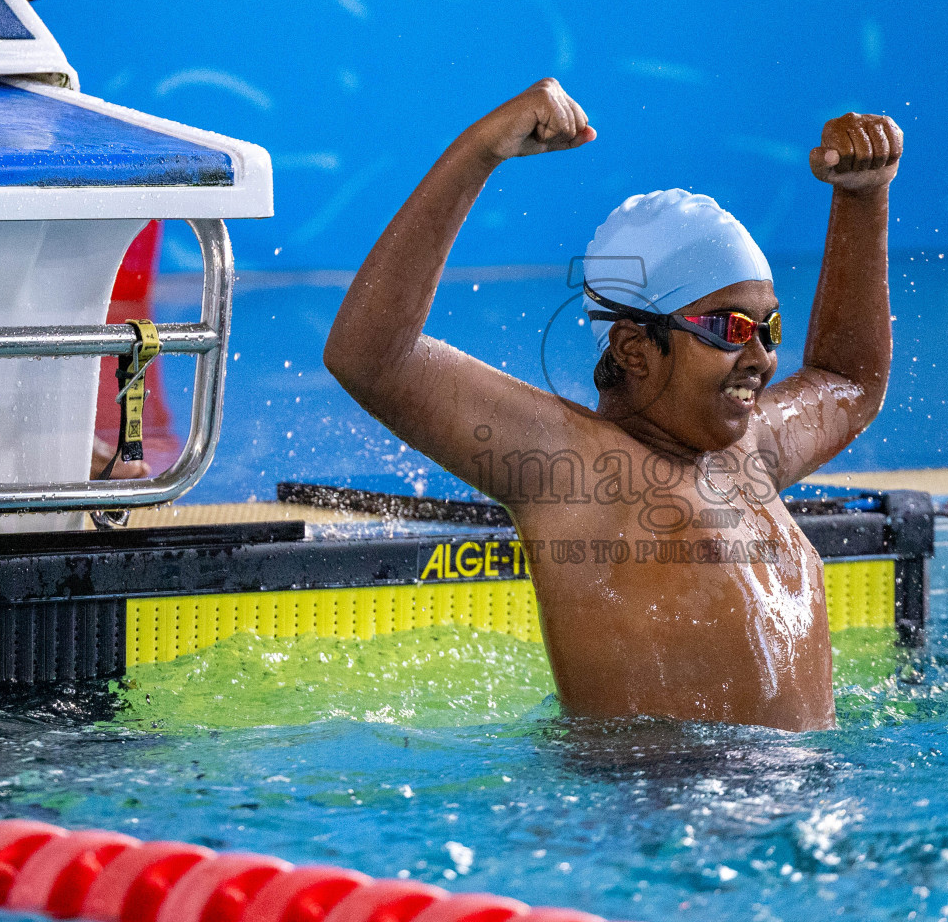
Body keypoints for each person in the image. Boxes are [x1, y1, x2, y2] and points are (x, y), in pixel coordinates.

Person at [325, 79, 900, 732]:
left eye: (768, 329)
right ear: (633, 347)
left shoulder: (751, 455)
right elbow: (371, 358)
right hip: (658, 821)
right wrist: (479, 151)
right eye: (731, 329)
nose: (764, 359)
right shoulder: (579, 473)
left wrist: (863, 198)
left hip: (793, 804)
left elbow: (848, 381)